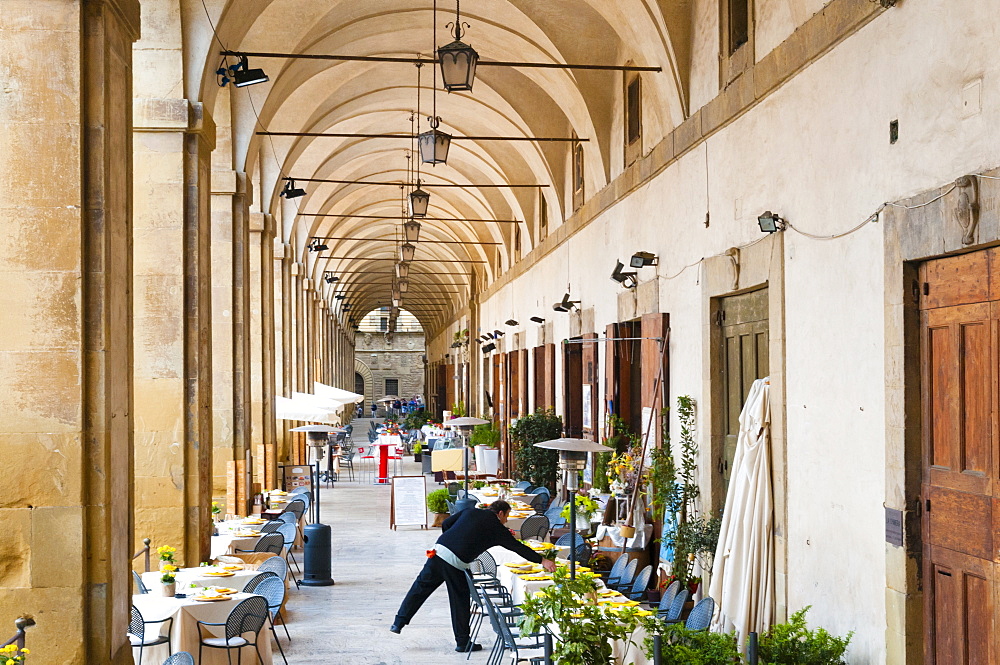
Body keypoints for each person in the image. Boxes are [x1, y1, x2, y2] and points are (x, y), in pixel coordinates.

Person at [390, 500, 557, 652]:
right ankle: (462, 642)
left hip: (438, 551)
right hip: (455, 563)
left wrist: (453, 540)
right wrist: (542, 560)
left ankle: (398, 622)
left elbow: (447, 523)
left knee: (419, 588)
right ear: (500, 513)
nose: (506, 520)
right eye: (506, 516)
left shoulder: (471, 511)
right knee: (460, 601)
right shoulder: (497, 528)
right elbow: (517, 548)